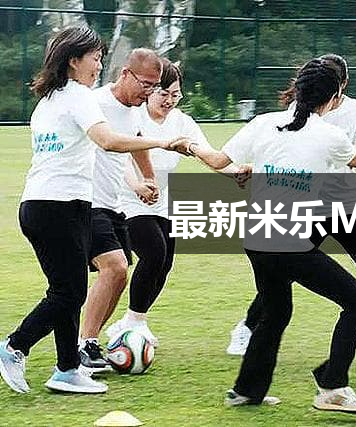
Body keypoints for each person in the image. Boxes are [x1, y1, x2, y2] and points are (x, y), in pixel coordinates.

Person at [185, 58, 356, 413]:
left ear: (297, 89)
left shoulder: (263, 123)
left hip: (257, 236)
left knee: (276, 311)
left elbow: (216, 161)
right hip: (288, 242)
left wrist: (188, 146)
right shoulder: (331, 135)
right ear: (334, 98)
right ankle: (332, 387)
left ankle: (247, 391)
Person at [0, 26, 189, 394]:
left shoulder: (50, 98)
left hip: (41, 204)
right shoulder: (79, 96)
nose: (100, 66)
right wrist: (165, 142)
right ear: (74, 60)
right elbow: (108, 140)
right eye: (96, 58)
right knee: (69, 293)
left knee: (66, 288)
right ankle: (14, 346)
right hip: (59, 206)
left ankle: (67, 369)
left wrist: (143, 175)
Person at [227, 54, 356, 362]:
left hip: (346, 206)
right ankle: (247, 328)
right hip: (307, 208)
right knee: (284, 273)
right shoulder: (299, 109)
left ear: (343, 85)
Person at [104, 59, 209, 347]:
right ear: (150, 91)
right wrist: (137, 185)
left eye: (176, 95)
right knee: (154, 252)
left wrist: (235, 171)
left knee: (165, 262)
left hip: (162, 201)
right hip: (127, 199)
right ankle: (134, 322)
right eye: (164, 94)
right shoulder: (134, 117)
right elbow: (121, 157)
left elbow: (207, 152)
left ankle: (132, 320)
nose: (170, 101)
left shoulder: (182, 122)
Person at [77, 48, 169, 372]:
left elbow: (136, 142)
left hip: (113, 205)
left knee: (119, 276)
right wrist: (161, 145)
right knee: (114, 268)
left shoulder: (134, 112)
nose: (149, 92)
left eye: (154, 87)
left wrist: (149, 178)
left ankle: (88, 343)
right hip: (87, 202)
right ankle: (83, 344)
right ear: (126, 74)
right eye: (146, 84)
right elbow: (111, 142)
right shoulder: (96, 103)